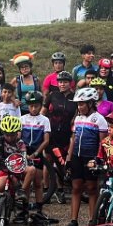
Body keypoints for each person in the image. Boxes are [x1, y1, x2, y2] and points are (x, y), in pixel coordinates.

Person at [63, 88, 108, 226]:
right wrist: (69, 158)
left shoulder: (99, 119)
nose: (79, 107)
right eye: (78, 104)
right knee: (76, 188)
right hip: (77, 156)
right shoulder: (78, 118)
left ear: (90, 103)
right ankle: (73, 221)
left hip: (91, 157)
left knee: (91, 188)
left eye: (82, 104)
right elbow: (73, 139)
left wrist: (98, 159)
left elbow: (102, 143)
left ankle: (92, 221)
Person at [0, 115, 37, 220]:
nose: (10, 138)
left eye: (12, 135)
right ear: (3, 133)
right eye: (7, 135)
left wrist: (24, 160)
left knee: (32, 169)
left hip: (18, 169)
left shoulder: (20, 143)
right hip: (4, 168)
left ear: (17, 133)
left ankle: (21, 192)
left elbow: (24, 154)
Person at [42, 71, 77, 203]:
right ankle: (46, 191)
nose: (62, 84)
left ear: (70, 83)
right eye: (60, 82)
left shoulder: (75, 97)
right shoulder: (52, 95)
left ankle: (60, 189)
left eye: (65, 82)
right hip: (52, 134)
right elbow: (43, 112)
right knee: (49, 161)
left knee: (62, 164)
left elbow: (77, 114)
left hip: (66, 134)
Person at [19, 90, 51, 219]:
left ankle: (39, 209)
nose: (33, 108)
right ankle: (24, 210)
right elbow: (18, 137)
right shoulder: (22, 118)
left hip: (37, 152)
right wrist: (23, 152)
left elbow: (47, 140)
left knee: (38, 183)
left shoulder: (44, 120)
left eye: (36, 106)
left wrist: (36, 153)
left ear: (40, 105)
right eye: (31, 106)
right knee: (26, 182)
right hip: (24, 152)